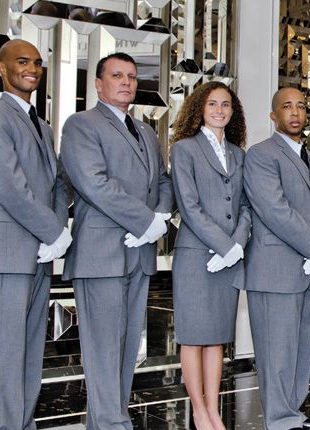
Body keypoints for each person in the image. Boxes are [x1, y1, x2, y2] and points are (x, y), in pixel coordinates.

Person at [61, 51, 173, 430]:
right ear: (98, 84)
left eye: (132, 76)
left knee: (125, 351)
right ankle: (113, 424)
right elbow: (93, 183)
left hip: (139, 255)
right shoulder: (81, 125)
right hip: (101, 253)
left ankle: (108, 423)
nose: (126, 82)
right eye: (117, 75)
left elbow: (163, 181)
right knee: (103, 349)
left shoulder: (145, 131)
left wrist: (161, 217)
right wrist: (145, 221)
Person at [0, 39, 71, 430]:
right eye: (22, 61)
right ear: (2, 68)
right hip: (8, 256)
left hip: (40, 257)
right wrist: (53, 231)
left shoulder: (42, 127)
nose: (32, 69)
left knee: (29, 356)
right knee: (2, 357)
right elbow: (8, 185)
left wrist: (57, 231)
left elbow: (59, 183)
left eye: (37, 63)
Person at [243, 87, 310, 430]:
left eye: (300, 106)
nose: (295, 112)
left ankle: (293, 412)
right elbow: (275, 210)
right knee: (276, 349)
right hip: (275, 269)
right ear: (273, 115)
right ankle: (280, 418)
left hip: (308, 270)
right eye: (287, 106)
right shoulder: (260, 155)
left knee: (299, 347)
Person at [169, 81, 251, 430]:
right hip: (197, 256)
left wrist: (237, 244)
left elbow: (246, 207)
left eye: (226, 104)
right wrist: (224, 245)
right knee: (193, 337)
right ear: (199, 108)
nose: (220, 110)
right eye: (213, 104)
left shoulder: (239, 154)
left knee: (217, 337)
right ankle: (199, 411)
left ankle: (213, 409)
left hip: (230, 256)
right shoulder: (184, 149)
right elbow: (189, 206)